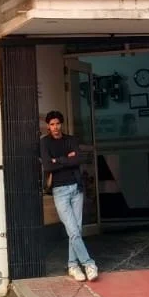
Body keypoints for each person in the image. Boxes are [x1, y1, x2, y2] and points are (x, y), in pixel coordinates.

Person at [40, 110, 98, 282]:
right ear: (48, 126)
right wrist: (66, 159)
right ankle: (89, 263)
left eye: (57, 123)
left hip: (76, 188)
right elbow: (47, 166)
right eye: (52, 124)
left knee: (76, 230)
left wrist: (58, 160)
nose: (55, 127)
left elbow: (78, 159)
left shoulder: (71, 140)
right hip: (59, 190)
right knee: (73, 230)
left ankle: (73, 265)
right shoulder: (45, 143)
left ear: (61, 124)